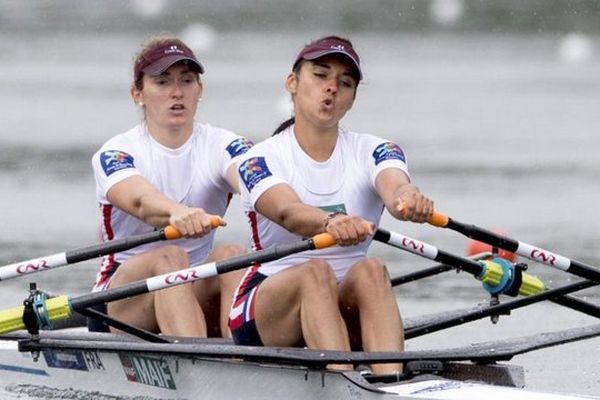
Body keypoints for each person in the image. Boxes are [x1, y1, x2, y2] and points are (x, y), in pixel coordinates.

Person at [228, 36, 433, 374]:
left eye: (345, 83)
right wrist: (329, 222)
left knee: (371, 269)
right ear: (292, 83)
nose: (332, 88)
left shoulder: (376, 150)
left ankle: (390, 382)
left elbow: (396, 187)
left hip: (343, 306)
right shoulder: (257, 159)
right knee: (315, 272)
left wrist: (409, 199)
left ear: (352, 98)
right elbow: (286, 211)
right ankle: (345, 383)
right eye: (320, 75)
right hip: (266, 311)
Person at [90, 37, 253, 338]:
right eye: (162, 82)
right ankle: (199, 370)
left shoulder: (225, 145)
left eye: (187, 81)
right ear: (137, 93)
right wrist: (176, 212)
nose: (177, 92)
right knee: (170, 257)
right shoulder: (116, 153)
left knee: (232, 254)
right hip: (120, 301)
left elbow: (259, 185)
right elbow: (140, 201)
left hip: (191, 287)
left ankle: (242, 365)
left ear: (199, 90)